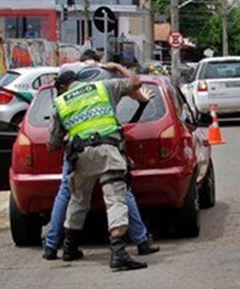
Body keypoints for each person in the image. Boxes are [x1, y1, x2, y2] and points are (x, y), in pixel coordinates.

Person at [43, 55, 159, 260]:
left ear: (62, 87)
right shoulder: (103, 87)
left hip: (79, 156)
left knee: (77, 199)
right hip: (108, 150)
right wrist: (118, 67)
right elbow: (136, 83)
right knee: (115, 198)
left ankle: (69, 248)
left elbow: (52, 145)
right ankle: (119, 253)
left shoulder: (59, 103)